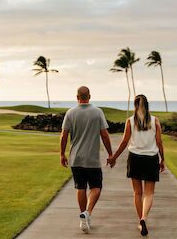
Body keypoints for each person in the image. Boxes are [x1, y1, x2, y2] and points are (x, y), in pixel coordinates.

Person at [107, 94, 165, 237]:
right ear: (147, 105)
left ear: (135, 105)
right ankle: (144, 218)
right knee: (149, 193)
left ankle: (141, 221)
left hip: (135, 159)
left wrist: (114, 157)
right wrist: (162, 159)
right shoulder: (155, 121)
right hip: (151, 159)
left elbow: (124, 142)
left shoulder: (130, 121)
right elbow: (159, 142)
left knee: (137, 193)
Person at [60, 86, 113, 233]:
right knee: (96, 187)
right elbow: (104, 135)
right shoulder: (97, 112)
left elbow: (64, 135)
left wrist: (62, 154)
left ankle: (83, 216)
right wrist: (110, 154)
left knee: (80, 187)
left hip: (76, 158)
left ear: (77, 97)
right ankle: (87, 213)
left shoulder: (70, 113)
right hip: (92, 159)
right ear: (89, 96)